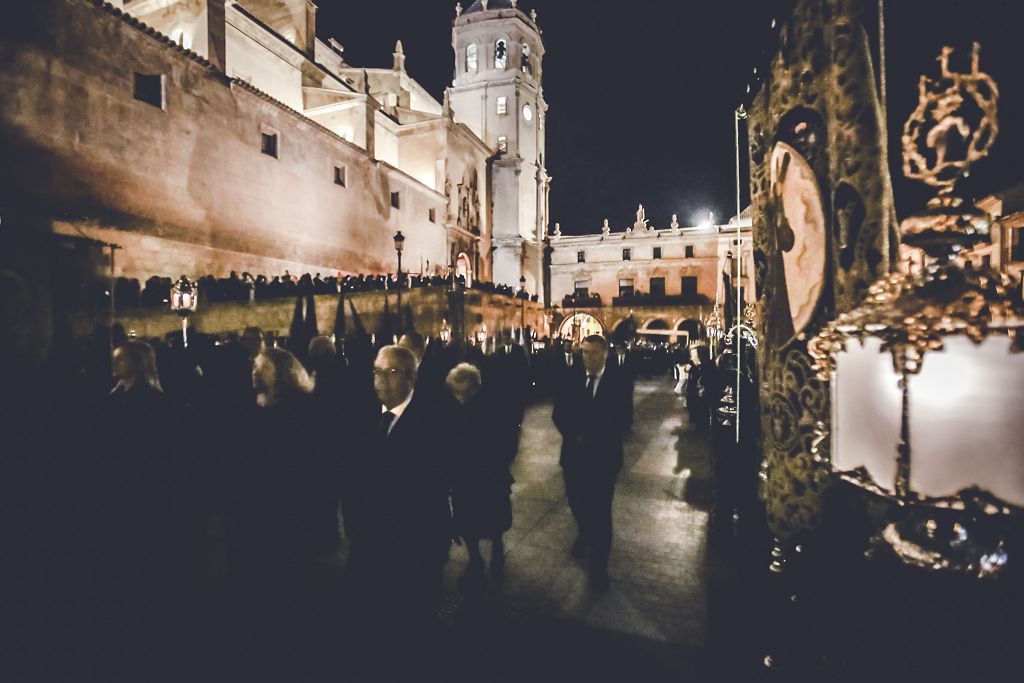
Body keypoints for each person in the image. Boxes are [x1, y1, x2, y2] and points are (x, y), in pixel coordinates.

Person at [344, 345, 454, 672]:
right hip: (370, 540)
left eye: (392, 372)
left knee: (412, 625)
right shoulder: (366, 416)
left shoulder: (432, 421)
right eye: (377, 372)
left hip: (414, 544)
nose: (382, 381)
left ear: (411, 377)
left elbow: (431, 485)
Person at [552, 334, 631, 592]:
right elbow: (559, 413)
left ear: (605, 353)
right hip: (574, 454)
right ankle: (584, 532)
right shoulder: (571, 377)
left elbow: (622, 418)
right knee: (576, 500)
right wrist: (574, 435)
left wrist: (592, 436)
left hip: (603, 458)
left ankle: (599, 565)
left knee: (600, 509)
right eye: (584, 352)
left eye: (594, 353)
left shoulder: (619, 381)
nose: (589, 358)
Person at [446, 363, 513, 591]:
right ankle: (477, 560)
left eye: (461, 391)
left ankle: (493, 556)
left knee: (489, 522)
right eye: (454, 392)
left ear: (474, 388)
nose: (457, 396)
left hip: (487, 476)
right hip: (468, 479)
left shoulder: (492, 409)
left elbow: (507, 443)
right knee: (469, 523)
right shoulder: (457, 409)